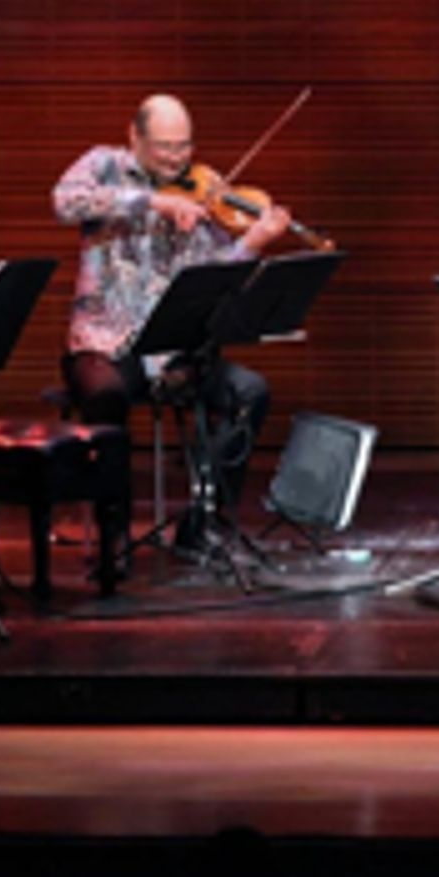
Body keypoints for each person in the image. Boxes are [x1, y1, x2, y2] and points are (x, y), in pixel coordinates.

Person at [52, 94, 291, 552]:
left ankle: (203, 524)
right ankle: (113, 536)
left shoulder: (204, 189)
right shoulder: (104, 164)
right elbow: (65, 202)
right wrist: (152, 202)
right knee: (105, 397)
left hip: (170, 348)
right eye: (165, 146)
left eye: (185, 146)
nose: (178, 158)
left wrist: (252, 243)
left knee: (249, 392)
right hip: (104, 341)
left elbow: (214, 272)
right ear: (135, 137)